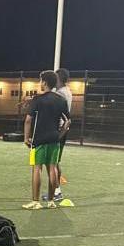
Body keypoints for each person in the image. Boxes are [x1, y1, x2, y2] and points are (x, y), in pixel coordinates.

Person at [23, 70, 71, 210]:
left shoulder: (38, 100)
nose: (40, 83)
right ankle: (51, 201)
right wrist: (59, 135)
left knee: (37, 168)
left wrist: (26, 137)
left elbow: (28, 120)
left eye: (40, 81)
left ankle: (35, 201)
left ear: (44, 82)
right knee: (52, 168)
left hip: (39, 139)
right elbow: (68, 122)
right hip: (54, 140)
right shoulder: (61, 100)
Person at [54, 67, 74, 196]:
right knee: (55, 161)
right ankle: (56, 190)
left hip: (59, 129)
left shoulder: (60, 93)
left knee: (53, 161)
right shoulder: (67, 91)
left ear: (58, 78)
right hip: (63, 128)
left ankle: (56, 191)